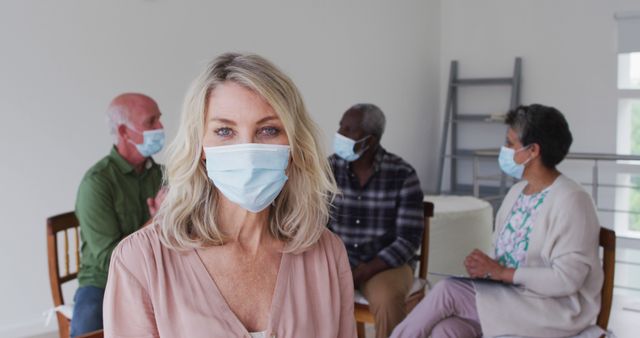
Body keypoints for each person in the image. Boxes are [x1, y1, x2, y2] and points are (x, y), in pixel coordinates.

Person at [102, 53, 356, 338]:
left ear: (295, 146)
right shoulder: (141, 260)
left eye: (268, 130)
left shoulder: (327, 254)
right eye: (224, 130)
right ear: (199, 148)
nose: (246, 150)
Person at [391, 104, 604, 338]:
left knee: (447, 291)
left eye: (510, 143)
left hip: (552, 311)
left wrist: (501, 272)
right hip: (507, 301)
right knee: (446, 330)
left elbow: (567, 280)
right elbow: (500, 255)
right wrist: (485, 267)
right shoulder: (516, 193)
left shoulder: (573, 200)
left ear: (533, 151)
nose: (503, 149)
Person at [71, 93, 166, 337]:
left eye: (160, 120)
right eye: (151, 122)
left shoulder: (161, 175)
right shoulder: (97, 183)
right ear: (124, 132)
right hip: (105, 281)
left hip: (156, 273)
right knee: (88, 320)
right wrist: (156, 220)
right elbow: (108, 258)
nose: (161, 128)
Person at [328, 103, 424, 338]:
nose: (340, 134)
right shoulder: (327, 169)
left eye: (349, 129)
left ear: (369, 141)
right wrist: (336, 267)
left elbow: (408, 240)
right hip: (339, 261)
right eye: (341, 125)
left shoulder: (402, 174)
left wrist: (361, 273)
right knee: (304, 295)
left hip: (385, 265)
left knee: (387, 299)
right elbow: (316, 226)